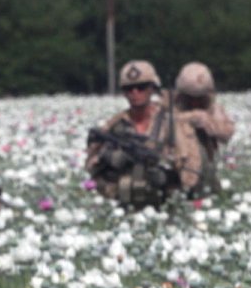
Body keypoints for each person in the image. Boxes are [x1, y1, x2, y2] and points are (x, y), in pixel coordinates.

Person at [85, 60, 201, 206]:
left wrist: (167, 177)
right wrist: (108, 158)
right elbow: (91, 167)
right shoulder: (115, 126)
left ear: (152, 88)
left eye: (141, 87)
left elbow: (192, 168)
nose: (135, 93)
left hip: (165, 206)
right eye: (129, 88)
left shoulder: (172, 124)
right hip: (123, 205)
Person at [172, 62, 235, 196]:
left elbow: (227, 133)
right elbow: (165, 123)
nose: (195, 103)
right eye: (190, 98)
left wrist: (210, 123)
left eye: (200, 98)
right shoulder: (170, 108)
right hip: (180, 178)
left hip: (208, 173)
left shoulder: (213, 108)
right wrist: (189, 118)